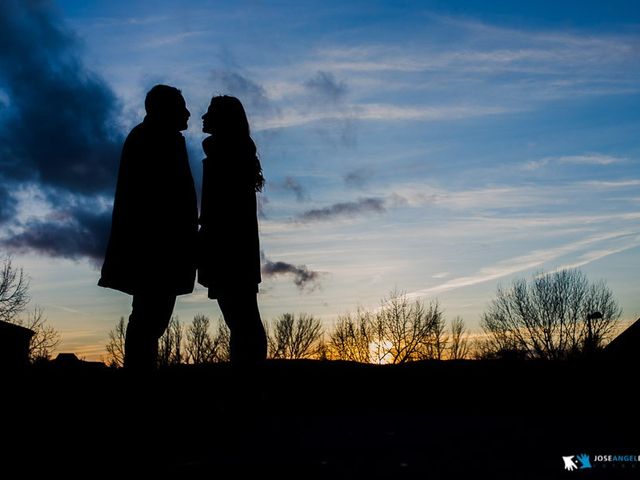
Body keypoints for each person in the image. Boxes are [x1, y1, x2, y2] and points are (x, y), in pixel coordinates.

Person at [98, 84, 198, 370]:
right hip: (156, 251)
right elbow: (161, 199)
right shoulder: (154, 139)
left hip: (160, 250)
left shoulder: (155, 137)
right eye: (181, 107)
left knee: (149, 320)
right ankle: (139, 385)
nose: (188, 113)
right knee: (147, 320)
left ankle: (140, 381)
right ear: (166, 110)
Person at [198, 95, 267, 366]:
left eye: (210, 112)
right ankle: (248, 381)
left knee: (243, 320)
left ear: (224, 119)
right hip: (232, 248)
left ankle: (248, 383)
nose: (203, 117)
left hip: (230, 249)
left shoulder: (228, 153)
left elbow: (224, 207)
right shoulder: (229, 150)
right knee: (242, 319)